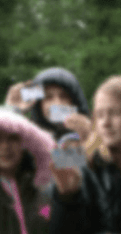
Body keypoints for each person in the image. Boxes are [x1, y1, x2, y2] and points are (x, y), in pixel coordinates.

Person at [50, 75, 121, 233]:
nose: (106, 123)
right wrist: (66, 198)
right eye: (100, 115)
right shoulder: (76, 160)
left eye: (116, 113)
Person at [5, 67, 91, 141]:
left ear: (75, 101)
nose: (57, 103)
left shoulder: (96, 130)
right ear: (39, 104)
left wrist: (91, 136)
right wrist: (12, 111)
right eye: (48, 97)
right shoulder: (28, 137)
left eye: (64, 96)